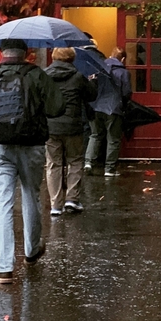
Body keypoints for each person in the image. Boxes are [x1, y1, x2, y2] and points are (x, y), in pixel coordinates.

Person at [0, 38, 64, 284]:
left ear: (2, 53)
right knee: (31, 195)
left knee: (2, 202)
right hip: (32, 146)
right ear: (26, 53)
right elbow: (57, 108)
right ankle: (32, 252)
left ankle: (5, 268)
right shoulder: (37, 75)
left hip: (0, 146)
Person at [44, 47, 98, 216]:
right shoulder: (77, 77)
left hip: (51, 127)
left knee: (53, 164)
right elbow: (91, 96)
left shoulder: (44, 76)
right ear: (72, 59)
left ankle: (55, 204)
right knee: (75, 161)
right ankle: (72, 200)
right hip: (73, 126)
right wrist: (93, 81)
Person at [84, 46, 132, 177]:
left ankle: (88, 162)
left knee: (95, 135)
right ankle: (109, 169)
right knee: (113, 139)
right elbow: (126, 92)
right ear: (122, 59)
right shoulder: (123, 73)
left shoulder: (98, 69)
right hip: (113, 108)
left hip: (96, 106)